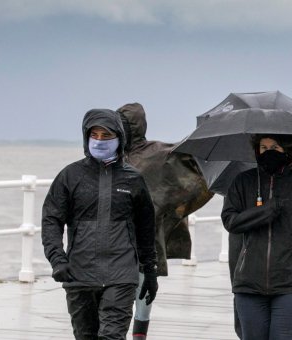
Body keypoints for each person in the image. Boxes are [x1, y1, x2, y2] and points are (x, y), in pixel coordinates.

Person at [41, 108, 159, 340]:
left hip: (121, 275)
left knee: (112, 336)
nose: (100, 141)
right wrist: (57, 259)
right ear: (86, 138)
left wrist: (150, 272)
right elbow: (51, 220)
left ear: (120, 139)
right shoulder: (70, 176)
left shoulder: (133, 179)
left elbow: (146, 229)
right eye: (95, 135)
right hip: (79, 276)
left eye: (107, 136)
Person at [222, 134, 292, 340]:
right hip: (249, 284)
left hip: (289, 283)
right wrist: (266, 211)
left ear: (287, 150)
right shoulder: (242, 181)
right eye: (263, 148)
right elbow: (231, 222)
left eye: (275, 146)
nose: (269, 152)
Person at [116, 103, 213, 339]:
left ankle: (139, 334)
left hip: (148, 234)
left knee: (144, 290)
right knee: (117, 293)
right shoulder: (114, 156)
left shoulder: (156, 152)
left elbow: (187, 161)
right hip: (116, 236)